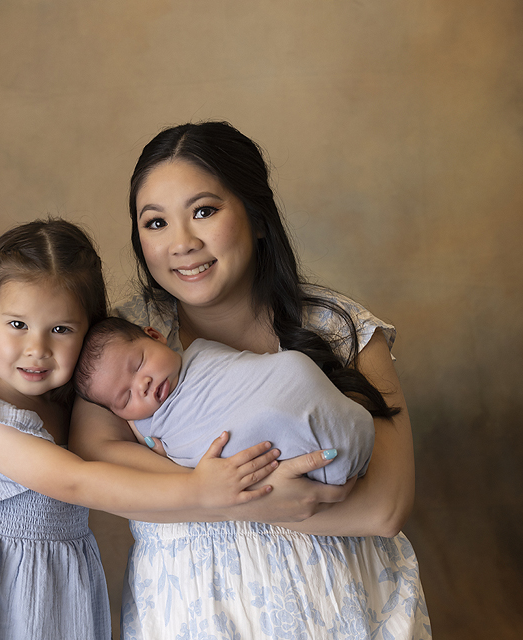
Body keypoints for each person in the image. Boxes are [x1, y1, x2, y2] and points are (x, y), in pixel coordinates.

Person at [69, 122, 432, 639]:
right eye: (156, 222)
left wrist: (200, 492)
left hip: (340, 611)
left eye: (204, 211)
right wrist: (245, 496)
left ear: (257, 218)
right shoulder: (119, 345)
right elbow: (95, 460)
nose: (182, 243)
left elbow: (386, 508)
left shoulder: (344, 330)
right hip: (193, 616)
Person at [0, 218, 286, 640]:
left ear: (89, 335)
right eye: (17, 325)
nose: (37, 349)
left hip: (59, 599)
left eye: (61, 330)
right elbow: (76, 481)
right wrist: (199, 489)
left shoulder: (70, 406)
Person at [73, 316, 375, 485]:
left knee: (292, 367)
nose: (142, 385)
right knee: (259, 421)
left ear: (154, 336)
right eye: (125, 397)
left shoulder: (201, 352)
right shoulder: (149, 427)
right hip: (282, 456)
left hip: (296, 389)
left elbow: (251, 374)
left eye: (139, 364)